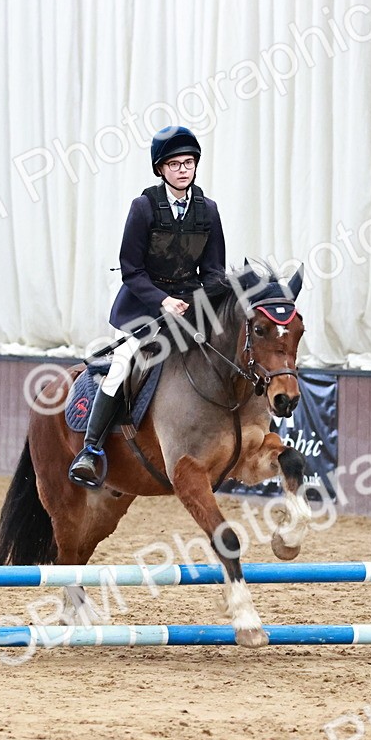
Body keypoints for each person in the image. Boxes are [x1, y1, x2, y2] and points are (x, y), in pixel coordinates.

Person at [68, 126, 227, 489]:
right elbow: (131, 269)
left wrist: (199, 304)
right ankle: (91, 450)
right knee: (121, 365)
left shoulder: (209, 211)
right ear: (160, 169)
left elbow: (214, 271)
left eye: (189, 163)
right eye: (175, 164)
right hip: (142, 307)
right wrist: (163, 300)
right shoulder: (143, 208)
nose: (183, 170)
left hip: (189, 308)